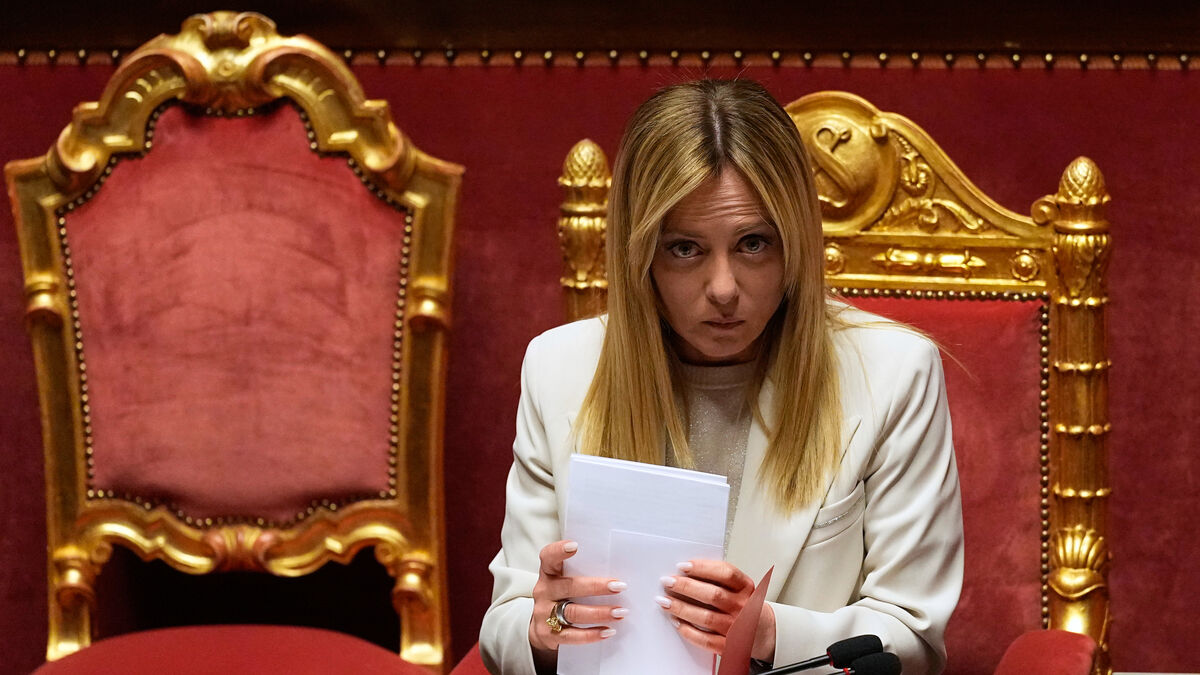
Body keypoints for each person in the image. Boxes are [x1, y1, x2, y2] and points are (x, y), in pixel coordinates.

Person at [479, 79, 963, 675]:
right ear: (641, 256)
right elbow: (506, 623)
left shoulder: (895, 372)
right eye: (685, 249)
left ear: (795, 244)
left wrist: (769, 632)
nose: (724, 288)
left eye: (753, 243)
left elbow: (913, 637)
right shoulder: (559, 368)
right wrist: (545, 630)